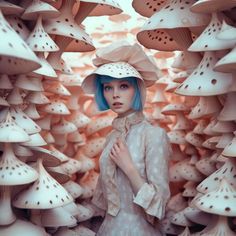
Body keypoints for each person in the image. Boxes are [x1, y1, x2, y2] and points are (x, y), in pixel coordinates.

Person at [82, 42, 172, 236]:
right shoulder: (111, 137)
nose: (115, 94)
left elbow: (159, 207)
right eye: (108, 87)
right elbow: (105, 199)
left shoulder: (154, 136)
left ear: (137, 89)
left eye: (123, 86)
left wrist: (129, 168)